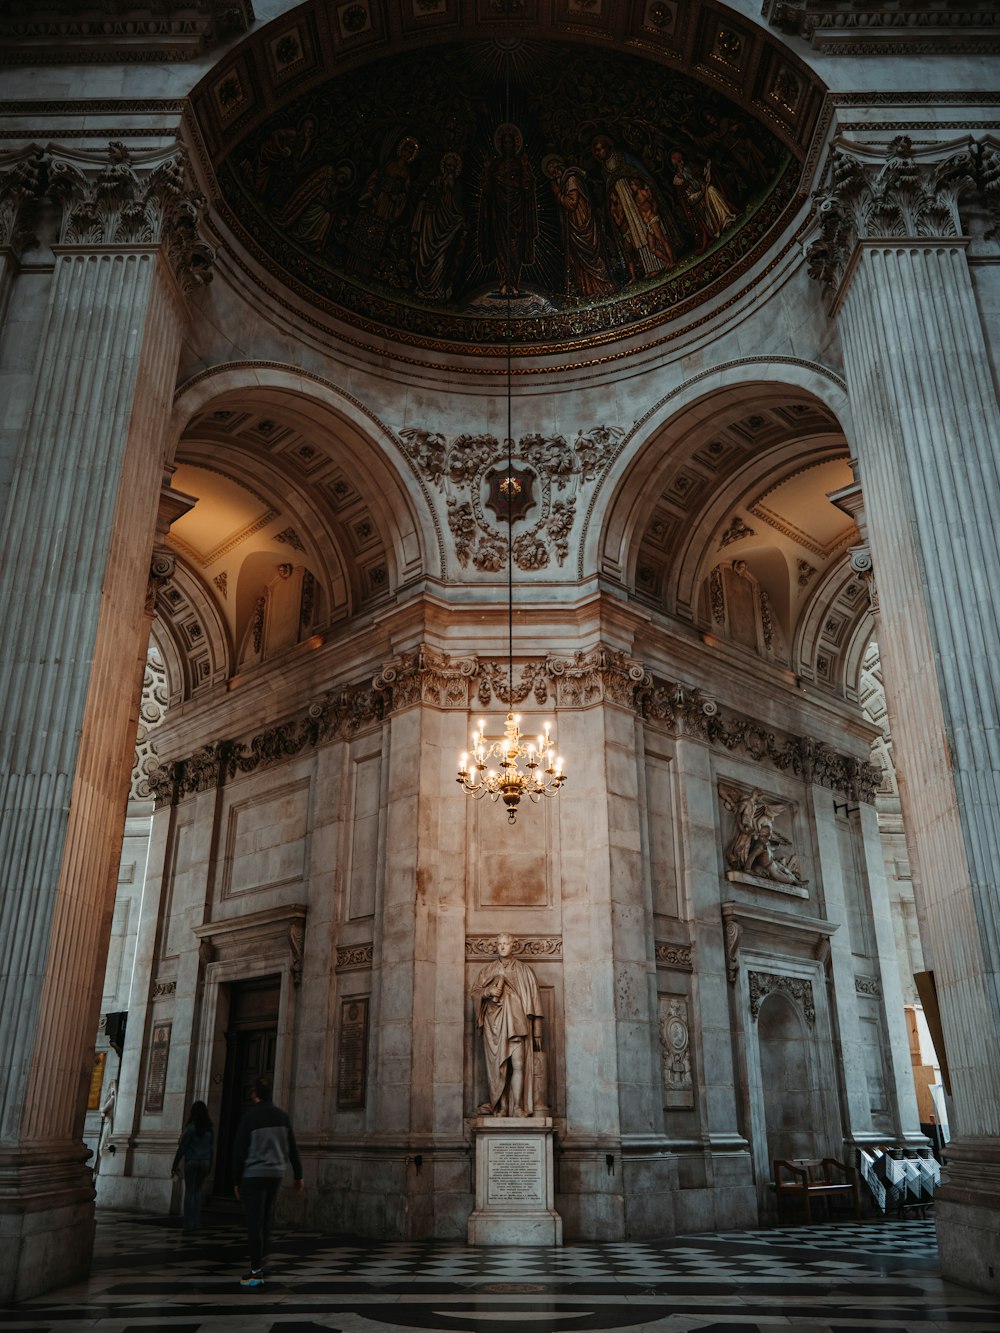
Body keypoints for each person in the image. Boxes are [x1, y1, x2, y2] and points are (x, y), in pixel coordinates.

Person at [232, 1075, 304, 1289]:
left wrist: (236, 1180)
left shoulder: (250, 1117)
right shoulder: (281, 1116)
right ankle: (262, 1263)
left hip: (254, 1176)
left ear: (255, 1094)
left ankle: (255, 1271)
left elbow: (239, 1151)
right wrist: (298, 1175)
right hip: (275, 1175)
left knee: (254, 1223)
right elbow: (292, 1147)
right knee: (265, 1220)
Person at [471, 932, 544, 1118]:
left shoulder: (524, 970)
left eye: (506, 943)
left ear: (513, 945)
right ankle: (501, 1107)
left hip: (518, 1023)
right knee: (498, 1067)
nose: (503, 947)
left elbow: (534, 1001)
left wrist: (537, 1031)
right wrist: (488, 991)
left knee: (518, 1063)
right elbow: (475, 993)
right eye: (500, 944)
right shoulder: (487, 970)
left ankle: (518, 1106)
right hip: (494, 1025)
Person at [171, 1099, 214, 1234]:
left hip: (192, 1162)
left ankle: (188, 1223)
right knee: (197, 1192)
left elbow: (182, 1148)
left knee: (190, 1192)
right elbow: (212, 1149)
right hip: (205, 1162)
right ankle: (196, 1222)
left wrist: (175, 1164)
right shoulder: (209, 1130)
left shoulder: (190, 1128)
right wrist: (210, 1164)